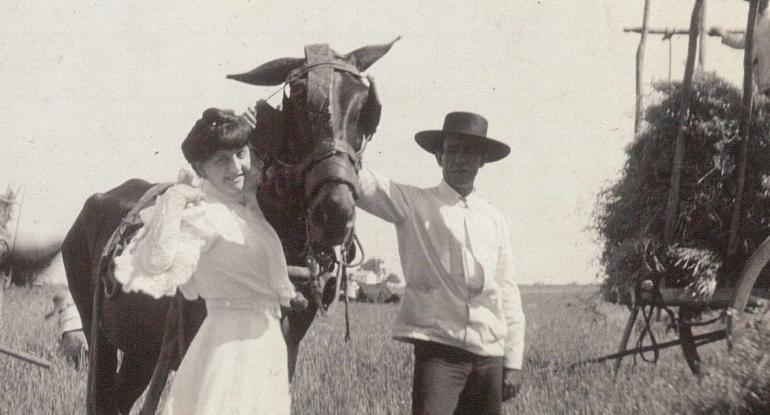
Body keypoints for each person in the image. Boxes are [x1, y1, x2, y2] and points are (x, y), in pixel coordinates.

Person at [113, 108, 296, 414]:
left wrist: (255, 124)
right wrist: (174, 201)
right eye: (221, 160)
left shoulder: (244, 207)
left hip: (264, 347)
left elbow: (258, 170)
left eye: (240, 153)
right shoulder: (205, 213)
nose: (236, 167)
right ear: (201, 168)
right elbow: (157, 262)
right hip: (230, 351)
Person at [357, 111, 526, 415]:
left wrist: (513, 360)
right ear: (439, 156)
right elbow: (362, 182)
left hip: (489, 356)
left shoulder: (494, 219)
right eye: (453, 150)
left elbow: (507, 291)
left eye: (470, 152)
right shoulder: (413, 203)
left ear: (482, 160)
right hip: (439, 354)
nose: (461, 160)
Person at [709, 0, 770, 94]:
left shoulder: (767, 20)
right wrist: (723, 34)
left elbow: (743, 41)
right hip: (764, 80)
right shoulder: (756, 21)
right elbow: (743, 41)